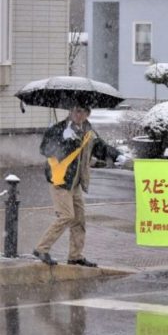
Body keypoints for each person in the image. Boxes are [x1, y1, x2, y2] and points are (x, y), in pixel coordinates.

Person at [33, 104, 124, 267]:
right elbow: (45, 149)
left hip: (75, 183)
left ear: (88, 114)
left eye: (83, 112)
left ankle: (75, 256)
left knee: (79, 219)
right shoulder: (59, 129)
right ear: (70, 111)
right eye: (76, 111)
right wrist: (65, 140)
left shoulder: (88, 130)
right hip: (60, 180)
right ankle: (41, 248)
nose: (79, 115)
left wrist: (117, 155)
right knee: (67, 216)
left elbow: (100, 148)